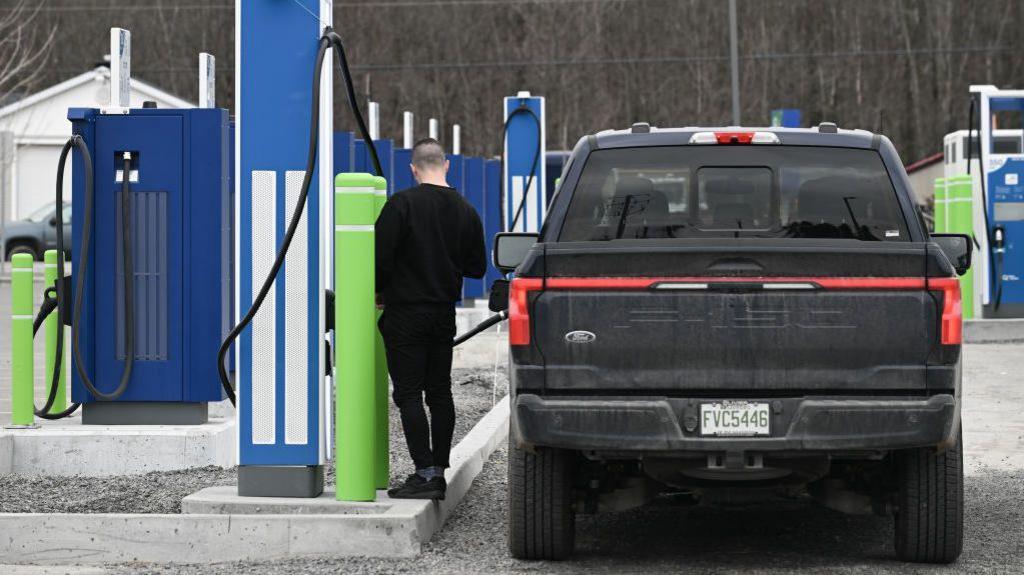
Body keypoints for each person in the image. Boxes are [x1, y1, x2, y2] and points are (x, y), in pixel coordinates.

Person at [375, 138, 486, 499]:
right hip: (443, 314)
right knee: (439, 392)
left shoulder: (401, 205)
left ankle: (424, 475)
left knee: (408, 393)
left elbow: (379, 260)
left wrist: (380, 290)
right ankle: (439, 468)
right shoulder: (466, 210)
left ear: (413, 168)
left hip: (405, 313)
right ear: (446, 164)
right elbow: (476, 267)